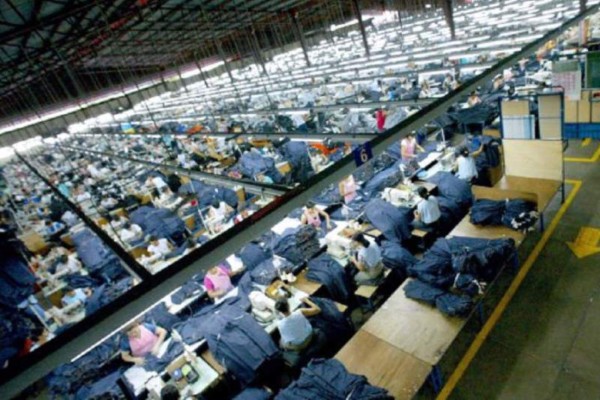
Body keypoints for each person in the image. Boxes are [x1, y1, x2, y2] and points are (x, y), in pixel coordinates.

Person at [275, 296, 323, 365]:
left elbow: (287, 340)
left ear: (279, 311)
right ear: (288, 305)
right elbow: (318, 309)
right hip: (310, 335)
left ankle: (290, 357)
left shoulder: (280, 324)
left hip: (300, 346)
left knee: (281, 342)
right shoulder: (300, 312)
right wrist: (306, 300)